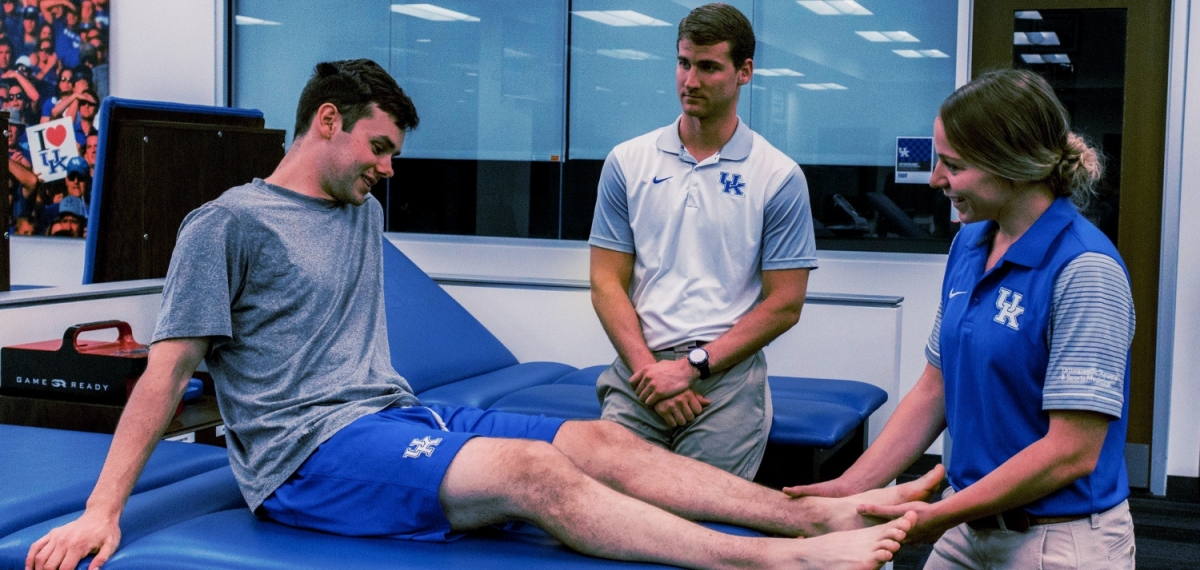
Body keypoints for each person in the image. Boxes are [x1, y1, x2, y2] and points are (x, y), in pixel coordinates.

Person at [25, 58, 938, 570]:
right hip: (307, 456)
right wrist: (104, 512)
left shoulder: (362, 209)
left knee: (605, 443)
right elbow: (166, 372)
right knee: (532, 473)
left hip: (394, 413)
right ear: (326, 122)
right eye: (379, 147)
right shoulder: (225, 224)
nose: (388, 169)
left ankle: (802, 515)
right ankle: (773, 562)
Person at [786, 69, 1137, 569]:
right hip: (969, 528)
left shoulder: (1085, 270)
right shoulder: (970, 244)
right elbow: (936, 387)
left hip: (1058, 540)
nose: (934, 179)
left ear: (1013, 166)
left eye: (953, 164)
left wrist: (938, 516)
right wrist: (852, 487)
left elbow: (1071, 451)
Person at [589, 3, 816, 479]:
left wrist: (692, 368)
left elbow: (785, 305)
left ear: (744, 72)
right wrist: (651, 373)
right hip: (641, 370)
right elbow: (606, 283)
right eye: (683, 63)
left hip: (724, 378)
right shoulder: (627, 161)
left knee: (699, 522)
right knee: (607, 512)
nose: (690, 81)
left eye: (709, 67)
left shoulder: (778, 176)